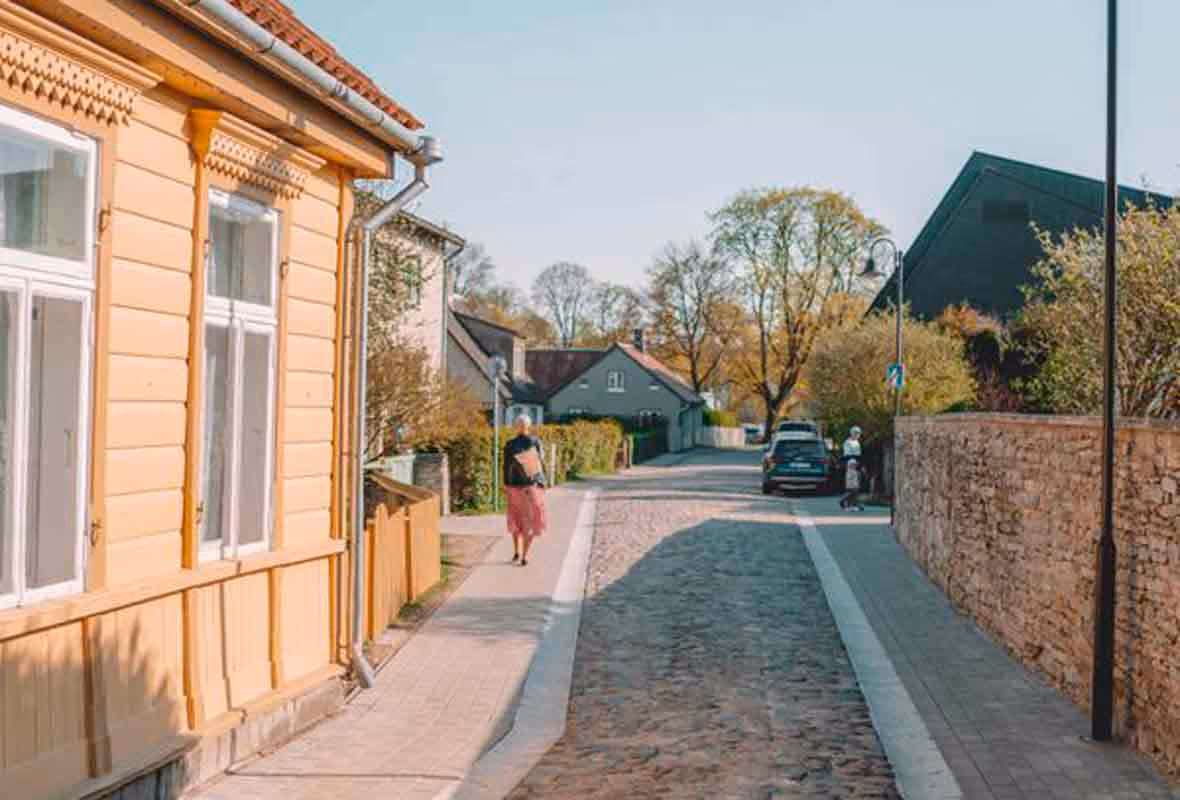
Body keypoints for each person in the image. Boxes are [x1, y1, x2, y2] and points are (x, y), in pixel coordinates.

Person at [502, 414, 548, 566]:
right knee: (532, 520)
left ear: (516, 426)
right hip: (530, 487)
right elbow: (540, 464)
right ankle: (524, 556)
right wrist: (544, 483)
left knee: (516, 518)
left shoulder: (509, 444)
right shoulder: (535, 442)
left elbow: (505, 466)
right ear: (529, 426)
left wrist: (506, 484)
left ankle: (516, 551)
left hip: (513, 487)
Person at [839, 425, 865, 511]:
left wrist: (860, 466)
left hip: (857, 464)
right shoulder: (848, 442)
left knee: (856, 487)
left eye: (859, 433)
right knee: (852, 487)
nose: (858, 435)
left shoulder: (857, 442)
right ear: (852, 433)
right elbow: (847, 455)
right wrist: (854, 463)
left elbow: (859, 455)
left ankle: (854, 504)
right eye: (856, 433)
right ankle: (844, 501)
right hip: (851, 465)